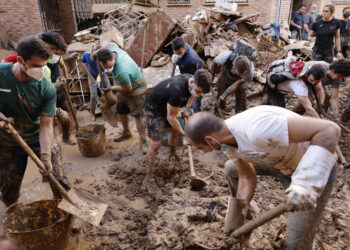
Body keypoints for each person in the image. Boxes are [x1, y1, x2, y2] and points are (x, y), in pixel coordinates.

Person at [185, 106, 340, 250]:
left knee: (295, 244)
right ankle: (243, 216)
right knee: (232, 168)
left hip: (313, 173)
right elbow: (246, 176)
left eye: (200, 148)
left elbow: (329, 129)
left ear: (210, 140)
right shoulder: (227, 142)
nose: (204, 152)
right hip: (282, 164)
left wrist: (306, 185)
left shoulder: (257, 129)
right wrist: (236, 221)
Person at [0, 37, 65, 211]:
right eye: (36, 66)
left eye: (44, 66)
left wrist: (45, 156)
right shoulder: (1, 74)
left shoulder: (46, 88)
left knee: (57, 176)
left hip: (37, 135)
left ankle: (65, 209)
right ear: (20, 60)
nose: (41, 71)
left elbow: (46, 125)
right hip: (7, 140)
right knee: (9, 187)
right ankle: (14, 213)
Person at [143, 69, 212, 189]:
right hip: (153, 108)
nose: (198, 95)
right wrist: (185, 135)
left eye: (201, 93)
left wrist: (188, 108)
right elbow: (171, 117)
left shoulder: (193, 79)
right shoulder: (178, 91)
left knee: (174, 130)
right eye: (198, 91)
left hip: (168, 104)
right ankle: (148, 178)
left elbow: (192, 96)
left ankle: (173, 154)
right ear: (191, 82)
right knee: (156, 143)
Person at [97, 43, 148, 153]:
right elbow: (111, 43)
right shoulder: (111, 49)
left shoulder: (121, 71)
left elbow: (127, 88)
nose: (108, 69)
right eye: (105, 67)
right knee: (121, 110)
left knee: (138, 115)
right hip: (122, 86)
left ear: (114, 57)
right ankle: (127, 132)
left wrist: (111, 88)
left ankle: (143, 141)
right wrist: (97, 51)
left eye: (110, 67)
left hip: (136, 88)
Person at [171, 37, 203, 112]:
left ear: (184, 48)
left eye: (179, 53)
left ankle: (196, 112)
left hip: (196, 76)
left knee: (194, 96)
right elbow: (179, 56)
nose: (177, 54)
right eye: (175, 53)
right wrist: (176, 57)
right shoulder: (184, 46)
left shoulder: (190, 61)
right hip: (189, 70)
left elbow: (188, 79)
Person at [79, 45, 100, 121]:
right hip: (91, 75)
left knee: (107, 90)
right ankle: (92, 113)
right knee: (93, 95)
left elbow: (104, 70)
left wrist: (98, 80)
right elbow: (81, 60)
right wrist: (77, 57)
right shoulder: (86, 55)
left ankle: (108, 107)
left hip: (101, 75)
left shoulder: (102, 55)